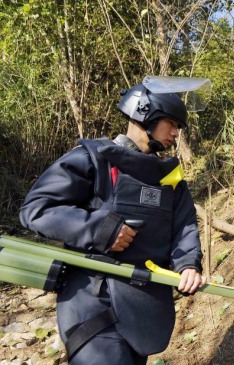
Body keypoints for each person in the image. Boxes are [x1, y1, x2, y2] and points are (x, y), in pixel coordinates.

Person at [19, 81, 205, 365]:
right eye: (171, 122)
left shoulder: (171, 180)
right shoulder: (93, 160)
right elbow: (36, 208)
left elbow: (184, 228)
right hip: (91, 302)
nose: (177, 133)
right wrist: (100, 229)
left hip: (143, 306)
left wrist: (188, 264)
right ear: (145, 113)